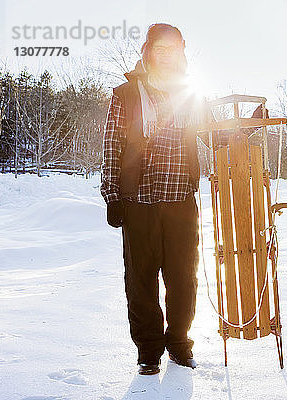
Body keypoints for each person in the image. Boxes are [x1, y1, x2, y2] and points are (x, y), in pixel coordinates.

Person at [101, 23, 209, 375]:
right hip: (139, 200)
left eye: (173, 49)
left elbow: (215, 134)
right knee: (141, 279)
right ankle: (149, 350)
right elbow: (112, 146)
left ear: (181, 53)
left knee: (183, 277)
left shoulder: (192, 94)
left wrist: (245, 129)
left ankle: (178, 342)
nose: (166, 56)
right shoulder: (127, 94)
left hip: (180, 198)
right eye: (159, 49)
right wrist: (112, 195)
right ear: (148, 52)